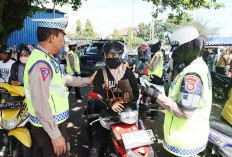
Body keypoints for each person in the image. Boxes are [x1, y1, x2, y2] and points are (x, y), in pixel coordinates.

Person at [23, 17, 96, 157]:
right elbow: (40, 103)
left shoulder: (47, 58)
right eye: (62, 36)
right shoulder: (41, 64)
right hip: (48, 127)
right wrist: (55, 135)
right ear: (52, 37)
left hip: (50, 124)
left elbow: (62, 79)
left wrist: (87, 81)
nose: (64, 41)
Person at [146, 26, 212, 156]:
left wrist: (156, 95)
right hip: (193, 135)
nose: (172, 52)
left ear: (188, 46)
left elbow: (185, 113)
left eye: (175, 48)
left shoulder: (192, 75)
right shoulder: (200, 66)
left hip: (185, 140)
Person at [88, 40, 139, 157]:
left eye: (114, 55)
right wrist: (110, 103)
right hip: (103, 115)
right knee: (95, 150)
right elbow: (97, 94)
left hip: (125, 115)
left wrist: (126, 100)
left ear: (120, 55)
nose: (110, 57)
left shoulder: (127, 73)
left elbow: (135, 93)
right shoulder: (101, 74)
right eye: (107, 55)